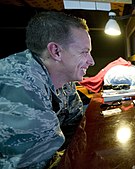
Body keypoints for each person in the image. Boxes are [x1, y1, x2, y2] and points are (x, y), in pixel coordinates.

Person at [0, 11, 95, 168]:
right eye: (84, 52)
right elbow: (37, 164)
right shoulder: (20, 83)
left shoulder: (64, 79)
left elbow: (76, 127)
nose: (91, 61)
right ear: (56, 51)